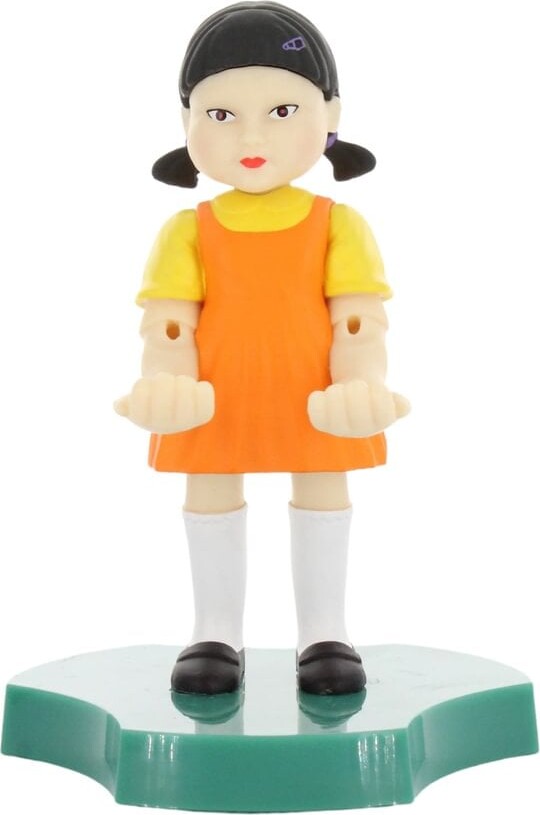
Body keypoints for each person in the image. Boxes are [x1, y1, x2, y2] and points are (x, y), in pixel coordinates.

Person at [115, 1, 409, 696]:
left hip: (315, 393)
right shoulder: (188, 229)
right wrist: (165, 380)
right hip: (213, 395)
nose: (251, 135)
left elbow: (358, 318)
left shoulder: (337, 223)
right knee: (211, 486)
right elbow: (168, 322)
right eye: (220, 115)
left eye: (282, 111)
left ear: (330, 116)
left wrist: (359, 382)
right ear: (187, 122)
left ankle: (325, 632)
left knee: (322, 484)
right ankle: (215, 631)